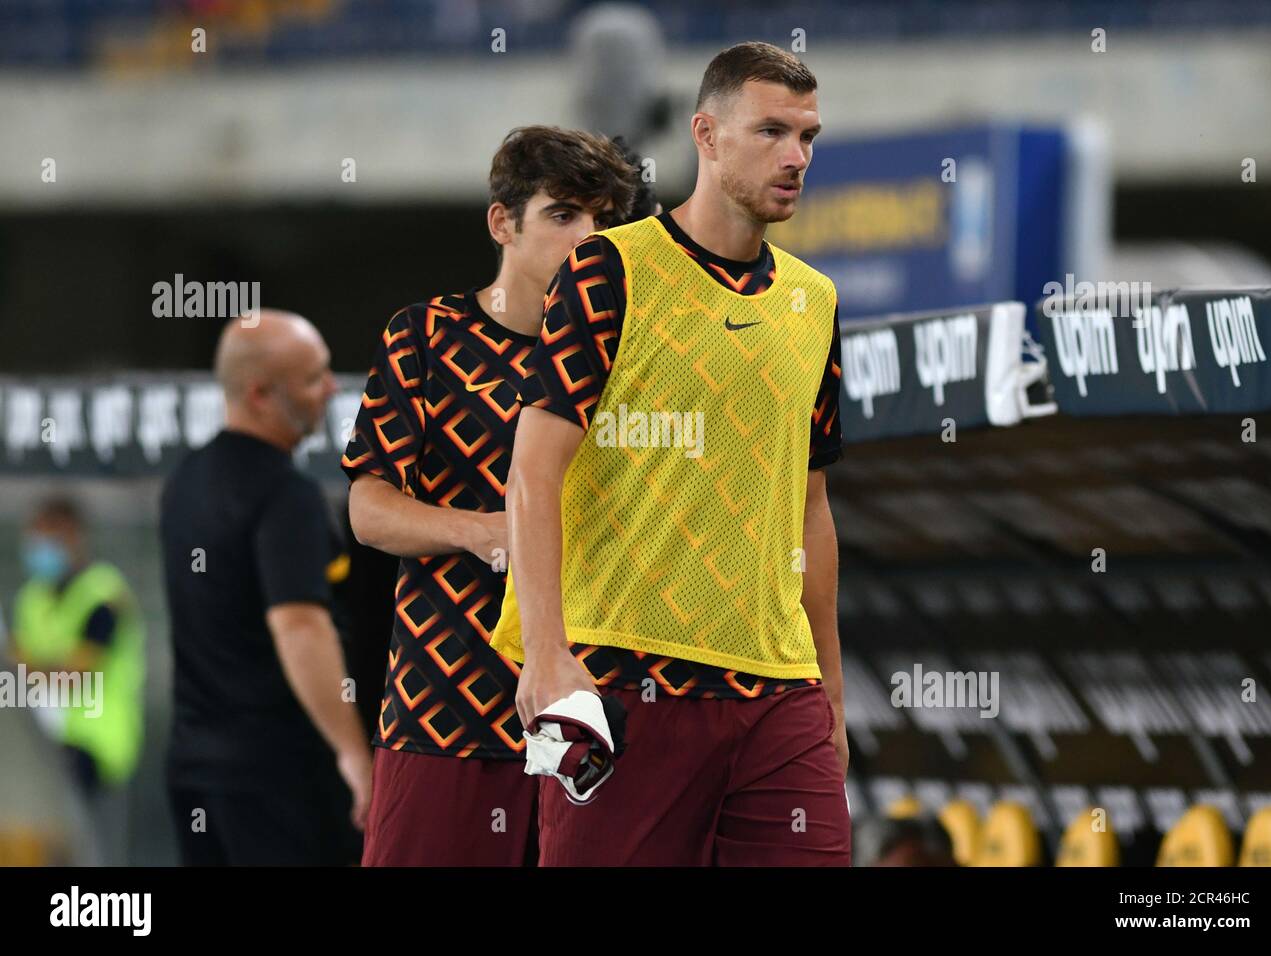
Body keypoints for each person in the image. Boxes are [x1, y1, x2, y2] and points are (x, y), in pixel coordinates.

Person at [492, 41, 850, 865]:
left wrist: (829, 687)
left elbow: (811, 507)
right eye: (772, 132)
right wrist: (545, 652)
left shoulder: (815, 301)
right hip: (622, 682)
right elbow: (534, 470)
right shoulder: (608, 270)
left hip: (778, 694)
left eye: (809, 137)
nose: (796, 156)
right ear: (707, 135)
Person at [342, 126, 640, 866]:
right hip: (445, 711)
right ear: (502, 223)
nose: (589, 240)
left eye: (605, 221)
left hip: (595, 717)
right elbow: (368, 511)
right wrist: (482, 531)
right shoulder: (424, 338)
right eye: (565, 216)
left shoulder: (634, 355)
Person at [161, 309, 369, 866]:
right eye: (311, 379)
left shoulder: (185, 481)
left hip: (197, 768)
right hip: (278, 776)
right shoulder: (287, 496)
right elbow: (300, 625)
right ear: (259, 393)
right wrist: (352, 753)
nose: (329, 389)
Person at [11, 495, 146, 864]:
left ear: (73, 537)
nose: (39, 551)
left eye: (48, 539)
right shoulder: (32, 599)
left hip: (96, 743)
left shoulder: (104, 594)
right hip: (45, 741)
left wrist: (25, 669)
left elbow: (75, 675)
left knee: (89, 850)